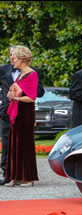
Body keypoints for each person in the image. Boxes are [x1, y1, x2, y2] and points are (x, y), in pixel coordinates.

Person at [0, 45, 44, 186]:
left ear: (22, 59)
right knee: (13, 145)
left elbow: (31, 97)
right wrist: (10, 95)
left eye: (15, 57)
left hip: (25, 113)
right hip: (15, 112)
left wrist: (16, 98)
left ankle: (28, 178)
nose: (12, 59)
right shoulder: (20, 74)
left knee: (25, 145)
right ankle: (14, 176)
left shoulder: (32, 74)